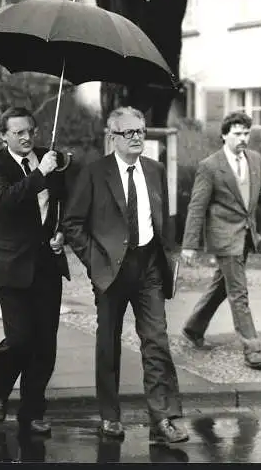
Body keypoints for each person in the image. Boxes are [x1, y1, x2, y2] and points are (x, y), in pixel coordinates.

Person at [63, 106, 189, 448]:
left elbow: (164, 217)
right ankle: (110, 416)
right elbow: (72, 223)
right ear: (112, 137)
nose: (137, 138)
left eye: (141, 131)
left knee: (157, 340)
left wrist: (170, 255)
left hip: (148, 266)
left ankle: (163, 417)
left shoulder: (154, 170)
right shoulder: (93, 174)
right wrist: (93, 261)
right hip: (110, 270)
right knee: (108, 344)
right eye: (129, 133)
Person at [0, 106, 70, 434]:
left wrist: (62, 233)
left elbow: (62, 202)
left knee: (45, 343)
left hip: (47, 263)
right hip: (10, 264)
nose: (26, 137)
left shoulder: (51, 158)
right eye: (17, 132)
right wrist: (39, 174)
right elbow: (5, 201)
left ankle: (32, 411)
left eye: (30, 130)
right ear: (3, 135)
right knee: (19, 340)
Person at [180, 111, 261, 369]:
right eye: (237, 134)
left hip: (245, 236)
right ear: (224, 135)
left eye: (246, 133)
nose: (243, 138)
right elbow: (197, 207)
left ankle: (192, 328)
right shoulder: (210, 166)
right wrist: (189, 244)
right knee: (239, 293)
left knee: (223, 285)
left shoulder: (254, 159)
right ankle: (252, 350)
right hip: (224, 238)